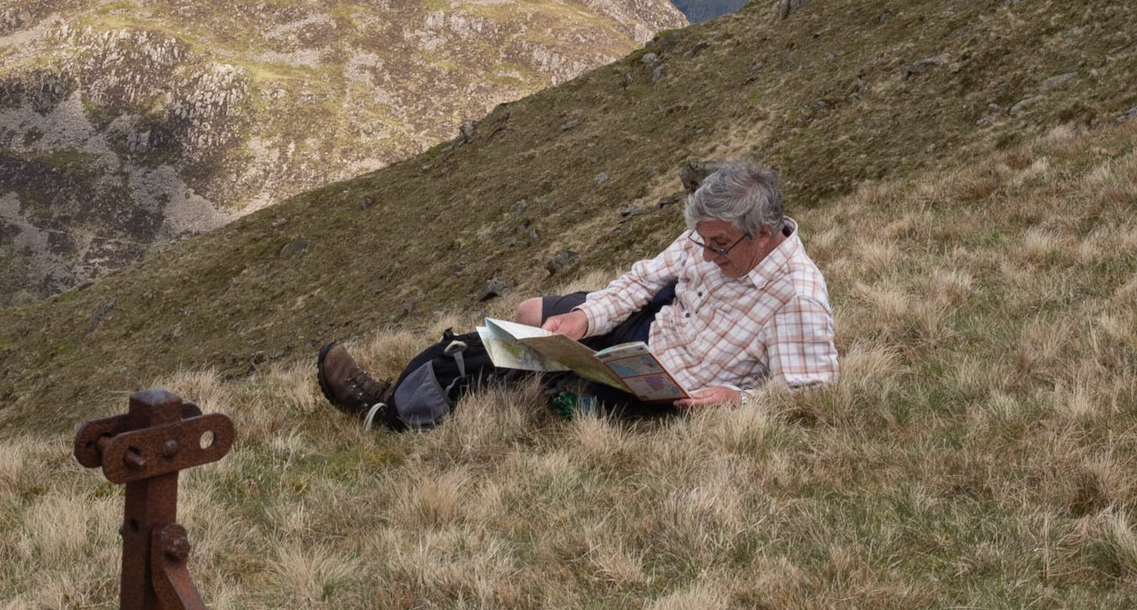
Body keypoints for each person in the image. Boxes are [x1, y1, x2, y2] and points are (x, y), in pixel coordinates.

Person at [316, 157, 838, 431]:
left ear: (765, 231)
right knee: (520, 332)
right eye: (702, 242)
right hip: (649, 337)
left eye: (720, 246)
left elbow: (810, 396)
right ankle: (402, 388)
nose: (705, 256)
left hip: (658, 388)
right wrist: (585, 320)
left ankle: (384, 411)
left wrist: (736, 398)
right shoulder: (715, 235)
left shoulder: (797, 298)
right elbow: (639, 282)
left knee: (508, 369)